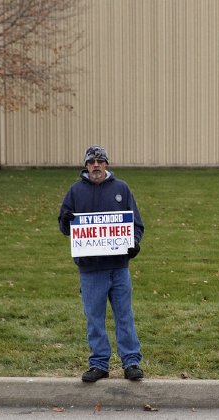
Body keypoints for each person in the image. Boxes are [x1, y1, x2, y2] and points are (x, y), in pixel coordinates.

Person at [58, 145, 145, 383]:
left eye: (99, 161)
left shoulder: (121, 189)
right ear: (86, 166)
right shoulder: (75, 191)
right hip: (90, 269)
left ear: (106, 164)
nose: (95, 165)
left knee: (124, 316)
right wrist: (66, 221)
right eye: (91, 162)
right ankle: (99, 364)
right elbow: (64, 226)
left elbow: (136, 224)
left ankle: (131, 362)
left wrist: (134, 243)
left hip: (118, 268)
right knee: (94, 319)